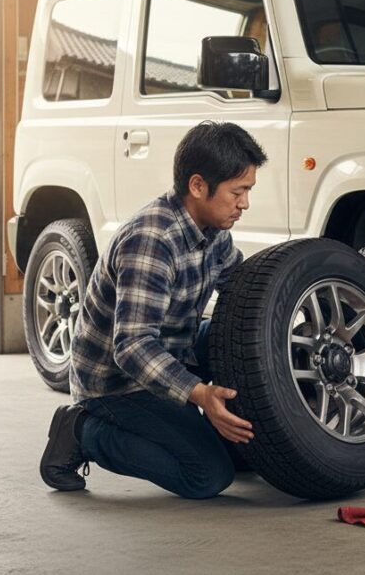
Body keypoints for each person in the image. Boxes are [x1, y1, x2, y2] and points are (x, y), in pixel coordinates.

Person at [39, 121, 267, 499]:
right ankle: (81, 432)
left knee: (241, 338)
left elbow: (244, 290)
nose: (245, 203)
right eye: (237, 192)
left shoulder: (214, 231)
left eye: (248, 191)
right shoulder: (152, 240)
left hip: (175, 351)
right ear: (198, 186)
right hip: (117, 383)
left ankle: (204, 426)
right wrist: (199, 393)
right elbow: (132, 347)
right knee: (208, 475)